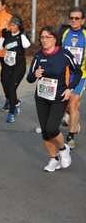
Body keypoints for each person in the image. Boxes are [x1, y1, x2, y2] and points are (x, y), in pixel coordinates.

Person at [26, 26, 81, 172]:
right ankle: (54, 159)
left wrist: (70, 89)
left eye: (48, 37)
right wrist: (35, 74)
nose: (44, 40)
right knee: (45, 131)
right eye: (42, 37)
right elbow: (30, 78)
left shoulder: (64, 54)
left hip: (59, 97)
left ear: (55, 39)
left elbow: (78, 71)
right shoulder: (38, 55)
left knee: (51, 128)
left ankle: (63, 150)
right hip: (42, 98)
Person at [58, 6, 86, 149]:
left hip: (80, 75)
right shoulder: (64, 32)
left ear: (83, 20)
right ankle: (72, 119)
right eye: (72, 18)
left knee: (72, 104)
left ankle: (70, 137)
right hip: (65, 74)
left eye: (77, 18)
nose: (74, 21)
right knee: (66, 106)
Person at [0, 15, 31, 123]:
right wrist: (2, 37)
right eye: (10, 25)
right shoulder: (7, 35)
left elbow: (26, 45)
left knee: (11, 88)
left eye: (14, 25)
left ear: (18, 26)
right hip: (7, 64)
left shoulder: (21, 35)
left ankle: (11, 113)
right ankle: (15, 101)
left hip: (19, 65)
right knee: (5, 84)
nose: (11, 27)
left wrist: (22, 34)